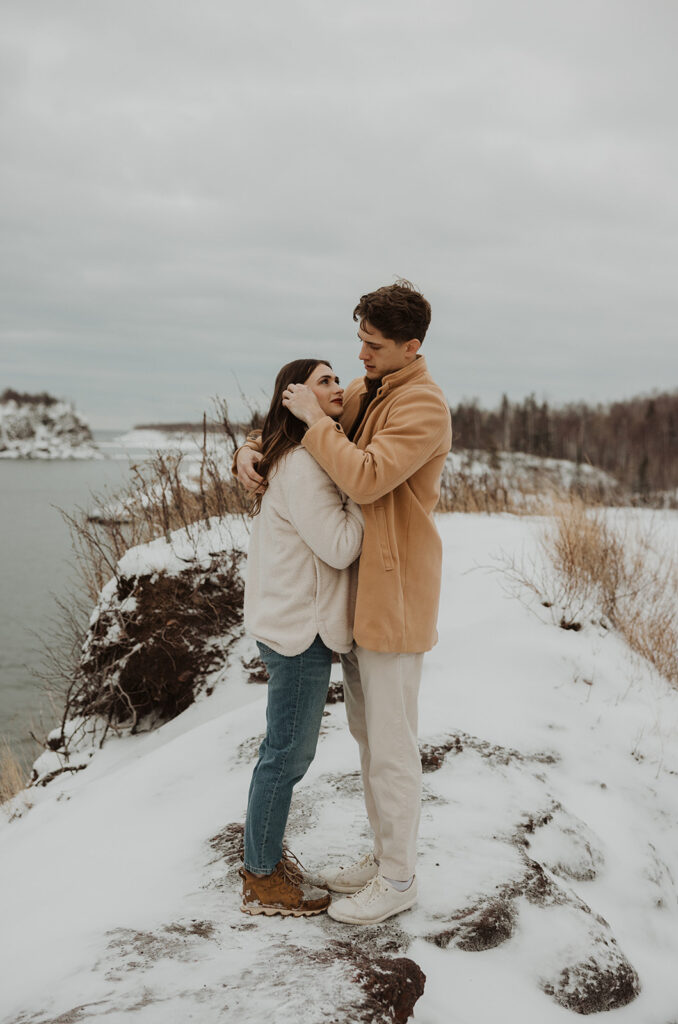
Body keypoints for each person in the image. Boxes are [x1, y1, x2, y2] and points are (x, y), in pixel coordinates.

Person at [236, 280, 452, 925]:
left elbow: (361, 474)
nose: (359, 355)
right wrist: (249, 448)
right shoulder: (371, 386)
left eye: (373, 344)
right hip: (358, 604)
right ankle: (383, 859)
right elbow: (303, 418)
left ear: (410, 347)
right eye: (359, 340)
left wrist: (305, 428)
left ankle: (400, 877)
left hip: (395, 597)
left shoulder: (423, 407)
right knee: (367, 740)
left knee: (391, 744)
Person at [240, 358, 364, 918]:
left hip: (290, 621)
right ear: (295, 398)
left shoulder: (293, 455)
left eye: (338, 379)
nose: (336, 387)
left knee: (284, 750)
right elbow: (339, 547)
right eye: (323, 381)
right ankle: (261, 877)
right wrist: (368, 499)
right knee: (287, 754)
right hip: (298, 630)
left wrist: (245, 447)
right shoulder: (306, 468)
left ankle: (262, 859)